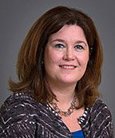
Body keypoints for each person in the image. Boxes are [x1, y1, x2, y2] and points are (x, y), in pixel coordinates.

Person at [0, 6, 114, 138]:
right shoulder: (19, 111)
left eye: (79, 47)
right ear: (41, 52)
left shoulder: (99, 113)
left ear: (90, 56)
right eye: (59, 45)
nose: (69, 56)